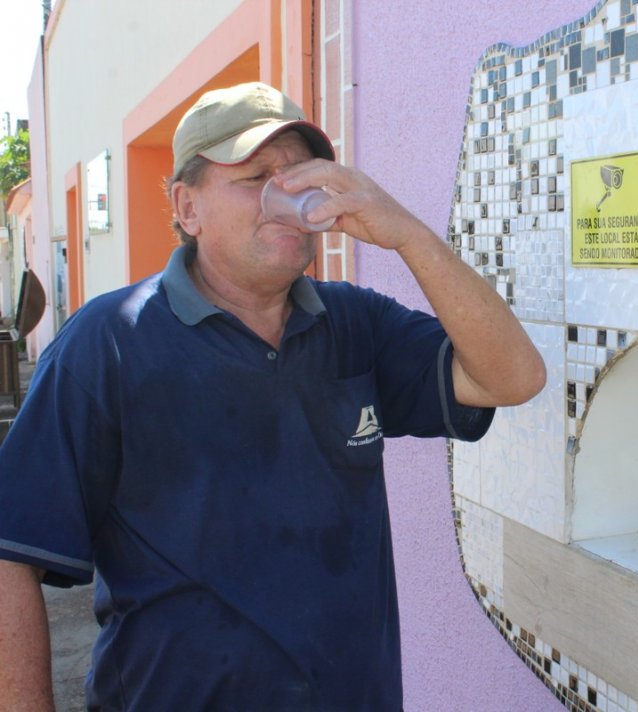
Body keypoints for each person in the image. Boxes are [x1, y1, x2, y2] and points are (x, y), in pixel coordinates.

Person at [0, 82, 545, 711]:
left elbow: (514, 377)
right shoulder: (110, 341)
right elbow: (12, 550)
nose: (288, 198)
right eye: (257, 177)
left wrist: (407, 234)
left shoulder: (355, 323)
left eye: (300, 177)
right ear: (188, 207)